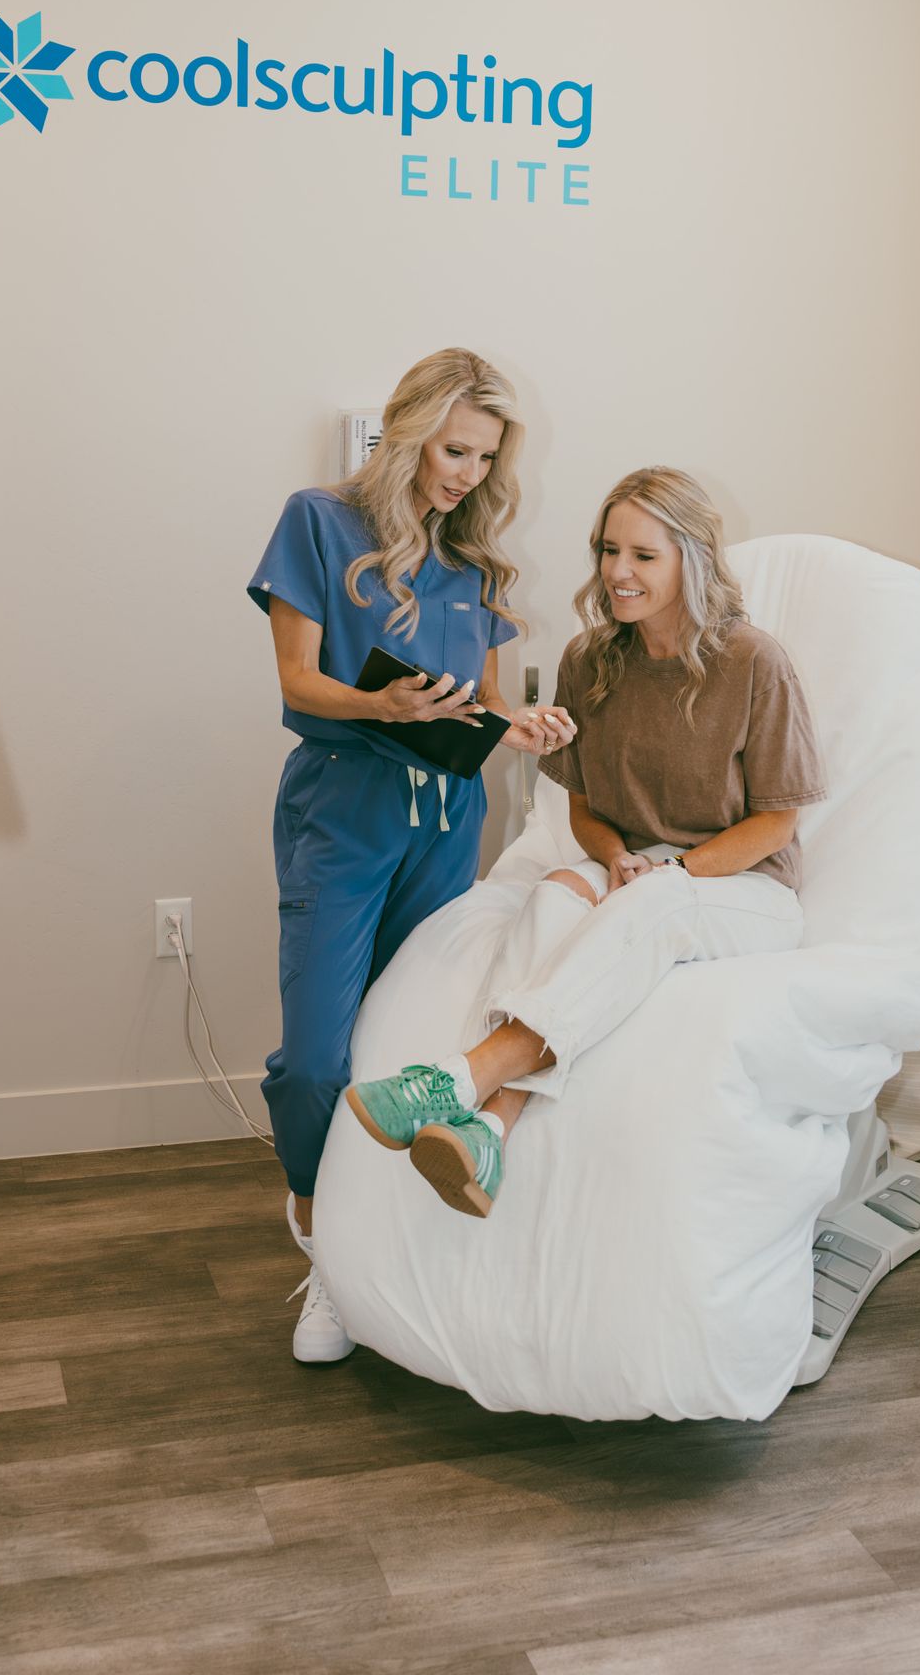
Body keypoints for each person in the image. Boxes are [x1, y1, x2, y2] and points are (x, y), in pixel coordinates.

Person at [347, 466, 824, 1217]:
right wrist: (613, 858)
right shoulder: (592, 660)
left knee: (656, 901)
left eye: (643, 555)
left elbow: (777, 823)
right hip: (638, 874)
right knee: (552, 897)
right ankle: (489, 1132)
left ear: (691, 559)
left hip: (746, 889)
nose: (618, 573)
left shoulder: (753, 661)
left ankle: (457, 1078)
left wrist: (674, 871)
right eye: (609, 551)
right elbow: (584, 808)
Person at [249, 349, 575, 1355]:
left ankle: (376, 1271)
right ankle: (318, 1235)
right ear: (410, 432)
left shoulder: (474, 567)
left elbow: (482, 703)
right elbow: (299, 684)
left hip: (447, 822)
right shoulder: (319, 522)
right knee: (315, 1062)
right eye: (455, 448)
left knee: (408, 1052)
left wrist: (519, 729)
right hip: (344, 812)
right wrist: (378, 702)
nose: (469, 474)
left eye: (485, 458)